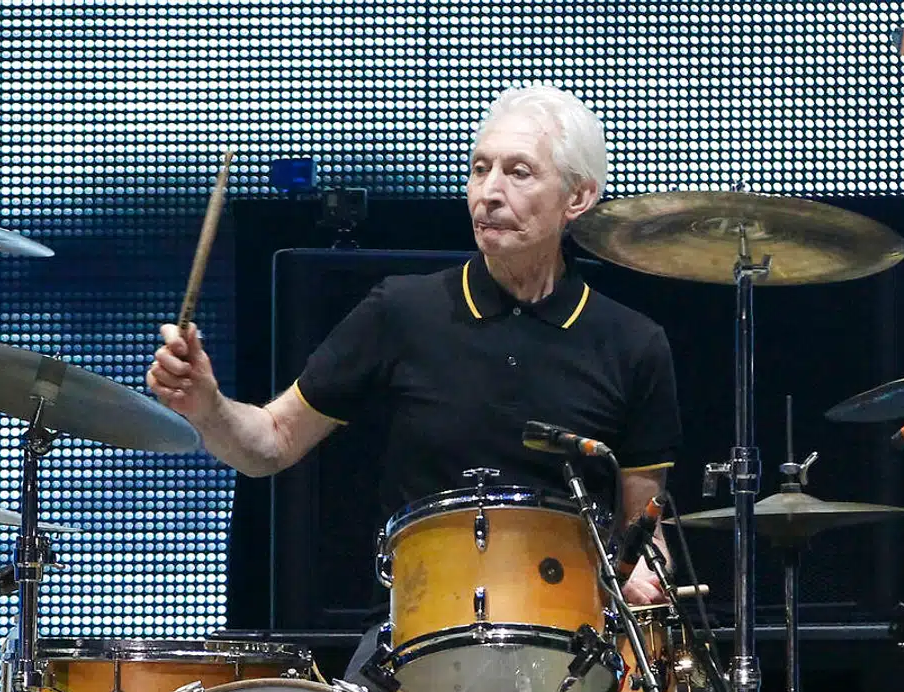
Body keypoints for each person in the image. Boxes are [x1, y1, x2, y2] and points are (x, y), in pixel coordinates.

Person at [148, 84, 680, 609]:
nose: (489, 192)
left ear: (579, 197)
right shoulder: (401, 311)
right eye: (479, 169)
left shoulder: (633, 343)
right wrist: (207, 406)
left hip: (569, 637)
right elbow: (272, 442)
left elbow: (644, 531)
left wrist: (642, 579)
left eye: (518, 172)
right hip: (419, 636)